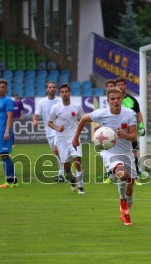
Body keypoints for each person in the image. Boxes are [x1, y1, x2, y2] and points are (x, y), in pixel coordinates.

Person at [72, 87, 137, 225]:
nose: (116, 101)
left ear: (122, 99)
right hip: (109, 152)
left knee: (130, 188)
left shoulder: (129, 114)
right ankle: (122, 201)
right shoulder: (101, 114)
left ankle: (125, 212)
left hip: (127, 153)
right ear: (108, 101)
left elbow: (134, 136)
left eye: (118, 98)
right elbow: (83, 119)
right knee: (122, 174)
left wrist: (125, 135)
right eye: (112, 99)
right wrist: (76, 137)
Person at [48, 83, 85, 194]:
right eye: (62, 92)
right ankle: (72, 179)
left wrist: (80, 130)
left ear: (70, 93)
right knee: (67, 167)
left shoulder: (77, 106)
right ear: (60, 94)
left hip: (74, 137)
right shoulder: (56, 108)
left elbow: (82, 119)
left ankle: (81, 187)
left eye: (66, 92)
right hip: (61, 139)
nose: (64, 94)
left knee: (77, 161)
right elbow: (49, 123)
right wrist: (57, 128)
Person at [115, 77, 145, 184]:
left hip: (130, 131)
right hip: (117, 132)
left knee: (133, 153)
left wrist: (141, 124)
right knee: (115, 153)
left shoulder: (132, 100)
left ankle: (135, 175)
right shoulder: (115, 101)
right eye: (118, 85)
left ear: (125, 86)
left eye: (122, 85)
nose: (120, 87)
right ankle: (112, 174)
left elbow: (138, 113)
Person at [33, 81, 64, 182]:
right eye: (50, 87)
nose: (52, 89)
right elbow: (36, 114)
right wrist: (35, 120)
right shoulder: (42, 102)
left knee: (57, 150)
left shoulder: (60, 101)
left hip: (58, 131)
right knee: (58, 153)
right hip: (49, 132)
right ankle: (66, 169)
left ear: (56, 89)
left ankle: (60, 174)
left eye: (54, 87)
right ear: (46, 89)